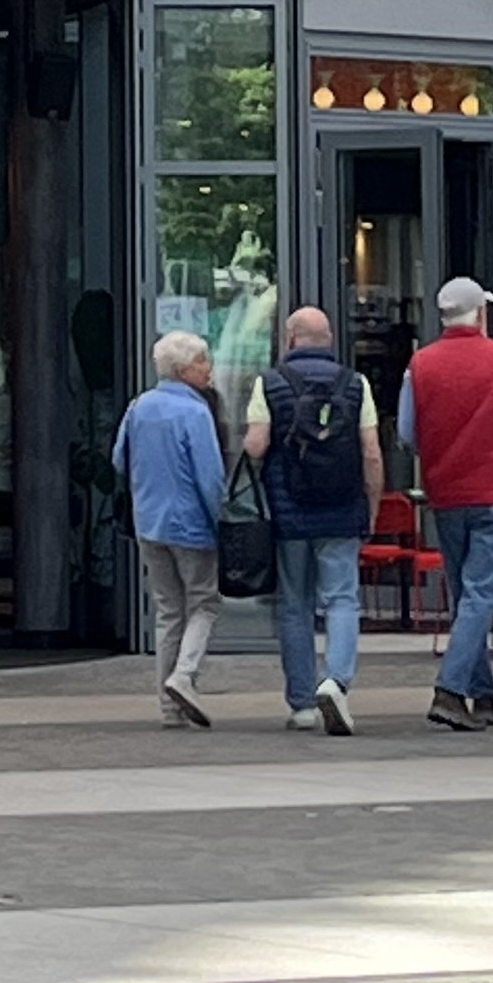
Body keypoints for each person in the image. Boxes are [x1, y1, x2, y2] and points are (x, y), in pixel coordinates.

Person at [397, 276, 493, 732]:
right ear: (481, 314)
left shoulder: (420, 364)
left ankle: (484, 696)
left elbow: (406, 431)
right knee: (481, 593)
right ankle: (450, 690)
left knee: (467, 595)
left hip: (447, 493)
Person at [244, 307, 380, 736]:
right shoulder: (355, 384)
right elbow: (372, 452)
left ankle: (302, 704)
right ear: (330, 337)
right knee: (342, 599)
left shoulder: (270, 382)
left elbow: (257, 447)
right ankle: (336, 682)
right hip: (341, 511)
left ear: (290, 339)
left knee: (295, 606)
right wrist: (370, 507)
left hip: (291, 514)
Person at [112, 330, 232, 729]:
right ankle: (184, 675)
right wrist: (221, 518)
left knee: (167, 611)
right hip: (191, 522)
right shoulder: (196, 412)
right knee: (204, 602)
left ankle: (169, 705)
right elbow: (209, 476)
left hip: (149, 521)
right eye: (202, 361)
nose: (208, 368)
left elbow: (118, 459)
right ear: (183, 369)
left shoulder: (138, 407)